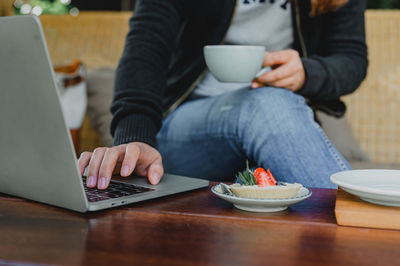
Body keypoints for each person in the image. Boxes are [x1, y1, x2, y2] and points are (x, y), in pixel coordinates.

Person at [78, 0, 367, 190]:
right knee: (267, 103)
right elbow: (147, 44)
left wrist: (308, 72)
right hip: (187, 126)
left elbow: (351, 58)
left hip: (278, 129)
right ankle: (365, 233)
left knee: (273, 114)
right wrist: (135, 137)